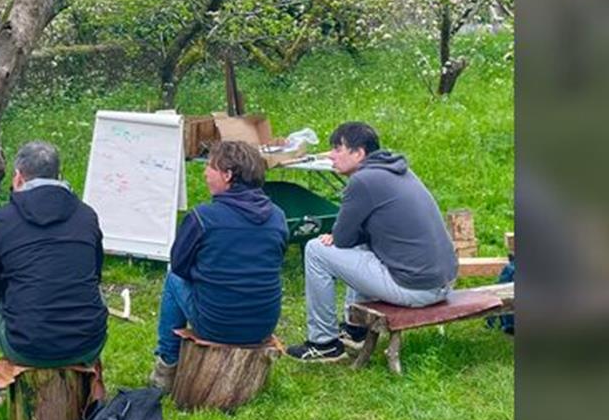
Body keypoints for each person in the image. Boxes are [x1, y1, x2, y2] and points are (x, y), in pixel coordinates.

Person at [0, 141, 107, 420]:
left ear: (18, 176)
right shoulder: (87, 216)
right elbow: (94, 275)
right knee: (92, 296)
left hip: (29, 344)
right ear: (59, 176)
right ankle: (86, 391)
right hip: (89, 341)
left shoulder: (0, 220)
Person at [287, 121, 458, 362]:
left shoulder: (363, 181)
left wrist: (338, 236)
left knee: (316, 250)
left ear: (359, 153)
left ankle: (323, 343)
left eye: (337, 149)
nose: (330, 156)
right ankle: (356, 330)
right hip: (443, 281)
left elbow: (344, 239)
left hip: (417, 288)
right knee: (362, 245)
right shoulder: (398, 170)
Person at [148, 140, 289, 392]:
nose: (204, 172)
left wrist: (202, 273)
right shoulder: (278, 215)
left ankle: (166, 366)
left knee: (173, 279)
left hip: (217, 323)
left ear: (227, 175)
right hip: (262, 324)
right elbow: (274, 259)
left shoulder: (203, 217)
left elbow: (179, 266)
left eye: (210, 167)